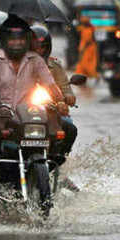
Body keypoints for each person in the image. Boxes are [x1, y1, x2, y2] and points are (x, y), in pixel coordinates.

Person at [0, 15, 68, 193]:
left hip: (27, 115)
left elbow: (50, 84)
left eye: (21, 39)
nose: (16, 43)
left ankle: (51, 167)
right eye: (12, 39)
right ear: (4, 39)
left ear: (27, 39)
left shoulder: (35, 60)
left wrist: (60, 101)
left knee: (56, 123)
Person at [30, 24, 80, 192]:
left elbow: (65, 88)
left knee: (69, 127)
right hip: (24, 111)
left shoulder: (55, 66)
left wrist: (67, 98)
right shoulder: (19, 64)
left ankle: (57, 164)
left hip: (51, 110)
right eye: (35, 45)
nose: (39, 49)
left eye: (42, 46)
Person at [74, 16, 99, 80]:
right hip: (87, 49)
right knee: (83, 64)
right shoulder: (86, 29)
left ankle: (94, 76)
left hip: (88, 50)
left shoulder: (88, 31)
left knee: (86, 64)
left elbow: (88, 41)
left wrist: (83, 50)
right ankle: (83, 76)